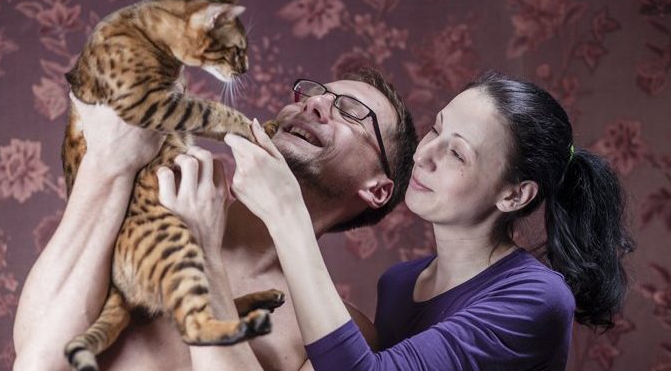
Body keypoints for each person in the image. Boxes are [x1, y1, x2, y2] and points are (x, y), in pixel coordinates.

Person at [219, 70, 636, 371]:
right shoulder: (399, 284)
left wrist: (286, 211)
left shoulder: (536, 297)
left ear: (514, 194)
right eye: (436, 131)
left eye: (457, 154)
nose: (424, 155)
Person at [12, 68, 419, 371]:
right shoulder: (157, 195)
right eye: (313, 92)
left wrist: (204, 251)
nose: (314, 103)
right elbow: (37, 358)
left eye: (351, 111)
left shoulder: (347, 334)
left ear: (376, 189)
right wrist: (110, 162)